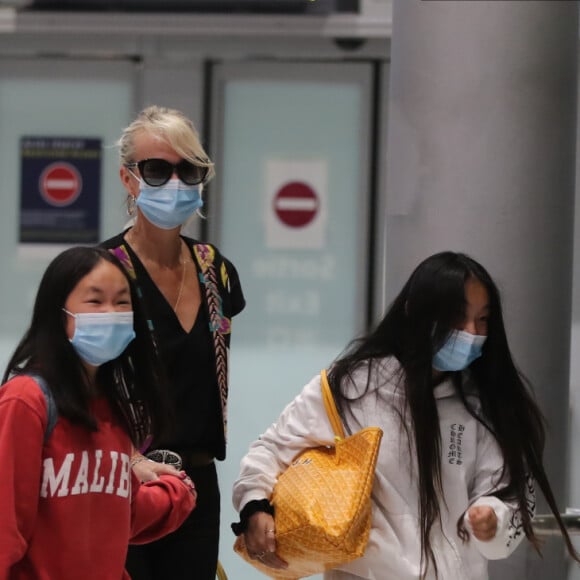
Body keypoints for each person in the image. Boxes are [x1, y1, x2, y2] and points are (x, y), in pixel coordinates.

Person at [232, 251, 580, 580]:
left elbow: (512, 495)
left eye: (483, 319)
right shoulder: (354, 386)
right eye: (458, 317)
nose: (471, 333)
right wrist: (255, 508)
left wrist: (493, 519)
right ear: (416, 313)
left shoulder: (484, 403)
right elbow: (271, 450)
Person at [101, 104, 246, 580]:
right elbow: (74, 381)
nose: (176, 182)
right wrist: (124, 457)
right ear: (128, 180)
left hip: (197, 481)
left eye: (190, 169)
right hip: (121, 477)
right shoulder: (102, 272)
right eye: (157, 170)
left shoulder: (215, 270)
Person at [0, 246, 196, 580]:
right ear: (59, 312)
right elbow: (6, 530)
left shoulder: (113, 409)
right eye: (95, 301)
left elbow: (118, 514)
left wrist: (177, 492)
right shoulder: (26, 401)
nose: (111, 312)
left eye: (122, 302)